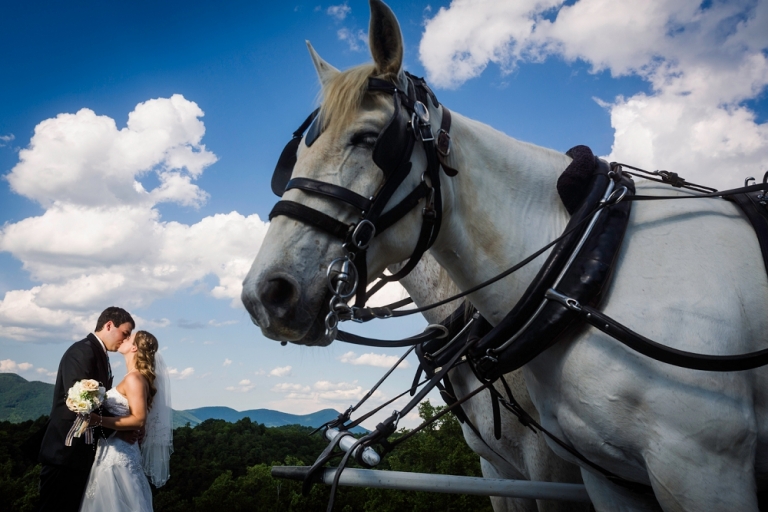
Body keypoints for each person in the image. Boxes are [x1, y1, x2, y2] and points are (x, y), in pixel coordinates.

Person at [37, 306, 136, 512]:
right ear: (109, 325)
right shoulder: (82, 351)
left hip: (81, 454)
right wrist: (122, 426)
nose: (125, 340)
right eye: (124, 334)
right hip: (66, 452)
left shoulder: (98, 353)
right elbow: (79, 401)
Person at [79, 330, 173, 512]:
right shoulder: (135, 377)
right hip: (113, 451)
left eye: (129, 337)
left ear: (134, 347)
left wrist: (97, 420)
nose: (124, 338)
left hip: (119, 457)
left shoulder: (134, 378)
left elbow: (138, 419)